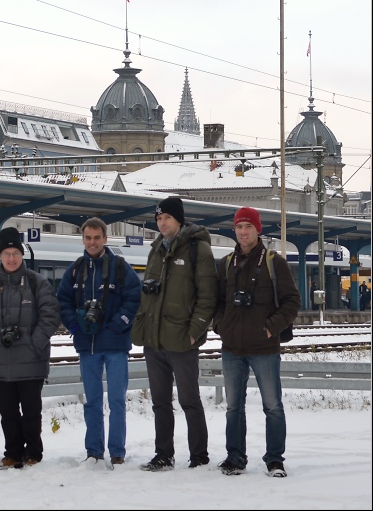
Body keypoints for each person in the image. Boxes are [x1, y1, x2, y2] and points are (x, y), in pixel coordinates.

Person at [131, 196, 218, 472]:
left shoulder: (198, 250)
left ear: (178, 219)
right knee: (159, 402)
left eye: (166, 217)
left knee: (189, 400)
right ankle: (163, 454)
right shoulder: (155, 249)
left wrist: (194, 332)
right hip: (154, 339)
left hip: (182, 340)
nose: (162, 222)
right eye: (158, 218)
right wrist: (142, 325)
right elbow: (149, 292)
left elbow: (208, 296)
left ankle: (199, 456)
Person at [215, 207, 300, 478]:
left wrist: (269, 329)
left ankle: (275, 459)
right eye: (239, 227)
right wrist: (220, 327)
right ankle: (235, 457)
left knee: (272, 406)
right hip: (232, 348)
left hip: (264, 348)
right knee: (233, 407)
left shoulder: (275, 263)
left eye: (248, 227)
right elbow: (216, 303)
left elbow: (292, 303)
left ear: (258, 230)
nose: (243, 232)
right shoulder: (227, 263)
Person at [56, 218, 141, 467]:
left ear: (105, 238)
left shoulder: (121, 268)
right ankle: (94, 451)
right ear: (83, 239)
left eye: (96, 238)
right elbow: (63, 301)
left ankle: (117, 452)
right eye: (88, 238)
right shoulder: (74, 270)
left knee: (116, 401)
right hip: (88, 346)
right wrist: (75, 325)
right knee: (92, 401)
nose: (92, 242)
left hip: (115, 345)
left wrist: (117, 324)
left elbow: (134, 298)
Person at [0, 227, 60, 469]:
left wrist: (35, 343)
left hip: (32, 360)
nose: (11, 258)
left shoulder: (36, 282)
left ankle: (33, 452)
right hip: (0, 360)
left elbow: (50, 315)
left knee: (32, 412)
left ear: (22, 256)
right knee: (8, 412)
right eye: (7, 253)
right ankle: (12, 452)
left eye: (15, 253)